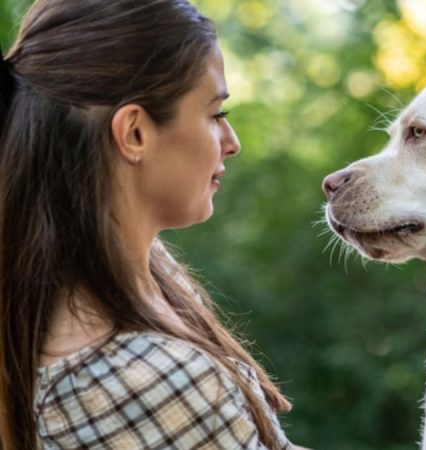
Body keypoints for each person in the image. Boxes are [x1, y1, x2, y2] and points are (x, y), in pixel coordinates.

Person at [0, 1, 303, 449]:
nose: (231, 142)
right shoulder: (148, 381)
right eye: (215, 115)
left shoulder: (115, 276)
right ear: (135, 133)